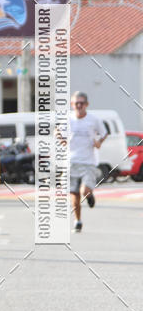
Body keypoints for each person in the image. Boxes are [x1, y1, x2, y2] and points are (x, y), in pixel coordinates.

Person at [67, 91, 107, 233]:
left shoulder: (93, 120)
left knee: (84, 191)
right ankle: (77, 221)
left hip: (88, 162)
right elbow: (57, 132)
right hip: (71, 162)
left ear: (86, 104)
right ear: (72, 105)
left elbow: (104, 132)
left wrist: (99, 142)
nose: (79, 105)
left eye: (81, 103)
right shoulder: (68, 119)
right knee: (74, 195)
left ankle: (89, 195)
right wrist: (60, 138)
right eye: (76, 103)